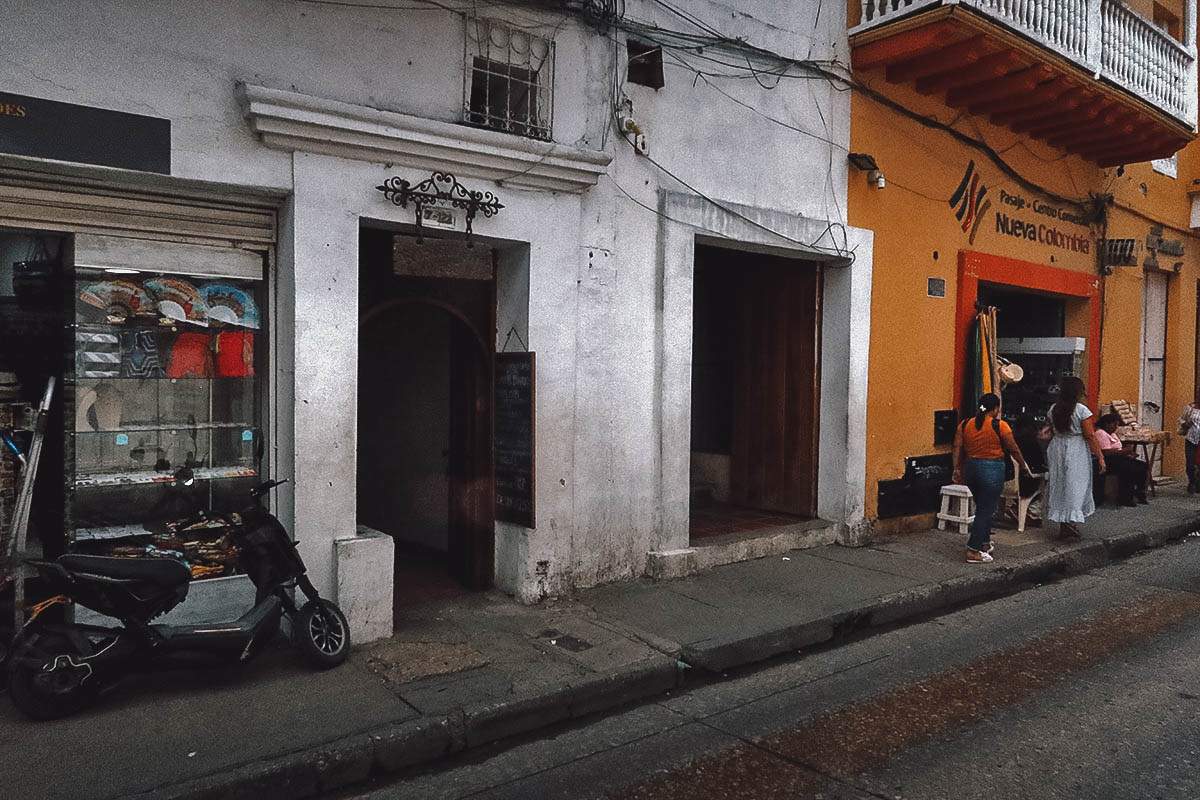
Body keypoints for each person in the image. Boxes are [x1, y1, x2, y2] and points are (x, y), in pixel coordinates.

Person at [952, 393, 1032, 563]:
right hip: (992, 468)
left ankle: (984, 543)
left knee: (983, 506)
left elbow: (957, 447)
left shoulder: (965, 424)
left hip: (971, 468)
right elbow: (1013, 448)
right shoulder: (1000, 426)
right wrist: (1023, 465)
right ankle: (973, 550)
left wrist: (956, 468)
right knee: (985, 510)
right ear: (995, 409)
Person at [1045, 376, 1106, 540]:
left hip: (1057, 447)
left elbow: (1050, 430)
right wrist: (1100, 457)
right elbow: (1090, 435)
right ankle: (1071, 522)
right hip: (1076, 448)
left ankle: (1063, 523)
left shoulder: (1053, 409)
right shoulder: (1081, 410)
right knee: (1076, 484)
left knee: (1060, 483)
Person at [1093, 412, 1148, 507]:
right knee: (1129, 469)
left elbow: (1119, 448)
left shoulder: (1112, 434)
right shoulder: (1101, 433)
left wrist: (1128, 453)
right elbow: (1106, 452)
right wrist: (1124, 452)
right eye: (1114, 425)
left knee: (1142, 466)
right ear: (1106, 424)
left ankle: (1140, 492)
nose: (1116, 427)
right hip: (1108, 461)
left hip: (1118, 458)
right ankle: (1126, 498)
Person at [1178, 391, 1200, 493]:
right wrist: (1186, 424)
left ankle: (1197, 484)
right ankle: (1192, 480)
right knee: (1190, 464)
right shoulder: (1190, 408)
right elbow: (1181, 419)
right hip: (1191, 439)